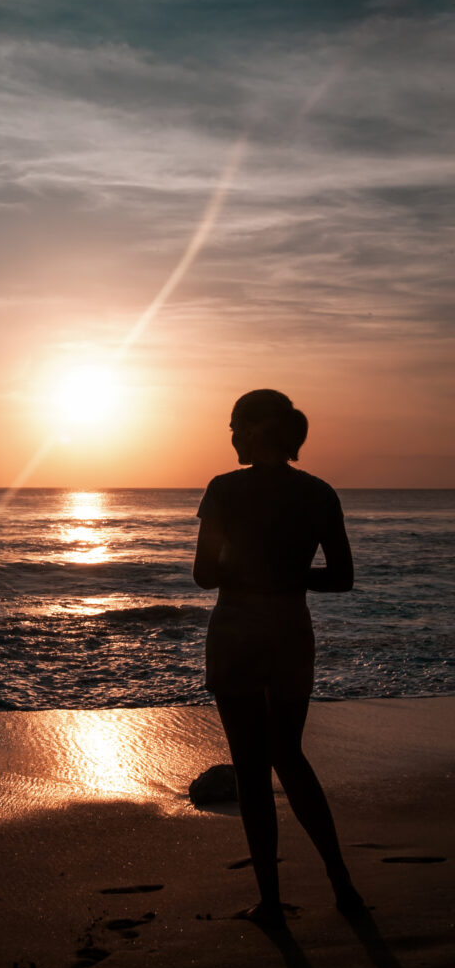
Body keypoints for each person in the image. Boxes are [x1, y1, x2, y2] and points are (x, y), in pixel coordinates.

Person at [193, 389, 364, 929]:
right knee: (288, 755)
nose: (232, 437)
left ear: (258, 430)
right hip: (291, 629)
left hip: (240, 627)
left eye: (236, 426)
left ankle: (270, 901)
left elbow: (203, 574)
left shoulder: (224, 489)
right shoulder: (318, 492)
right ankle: (342, 885)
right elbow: (340, 577)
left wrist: (250, 575)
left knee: (251, 766)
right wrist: (286, 578)